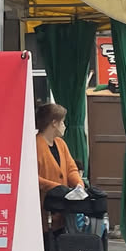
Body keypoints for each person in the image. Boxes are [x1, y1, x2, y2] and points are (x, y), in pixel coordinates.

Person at [35, 100, 84, 242]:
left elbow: (71, 168)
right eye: (62, 122)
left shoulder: (61, 144)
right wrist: (56, 187)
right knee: (47, 243)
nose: (64, 126)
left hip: (62, 207)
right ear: (54, 123)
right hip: (44, 206)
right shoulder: (35, 145)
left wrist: (78, 184)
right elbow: (33, 177)